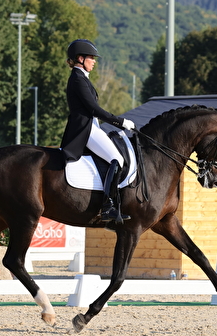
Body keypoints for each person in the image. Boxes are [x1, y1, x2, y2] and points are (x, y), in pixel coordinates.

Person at [60, 39, 135, 224]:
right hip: (85, 129)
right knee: (116, 160)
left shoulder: (82, 78)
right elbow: (94, 109)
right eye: (91, 58)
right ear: (80, 58)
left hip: (92, 126)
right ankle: (108, 207)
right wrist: (120, 121)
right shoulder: (78, 79)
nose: (94, 61)